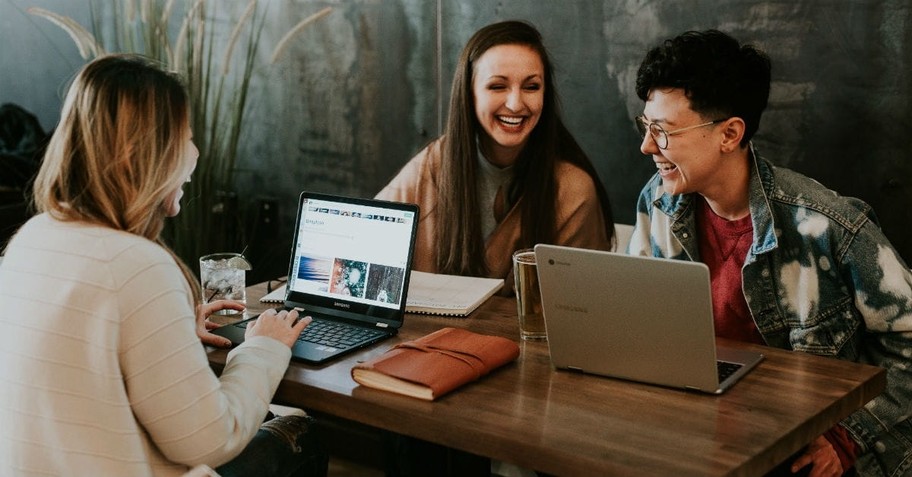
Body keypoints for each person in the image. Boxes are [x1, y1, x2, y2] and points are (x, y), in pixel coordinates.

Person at [0, 54, 327, 477]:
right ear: (141, 154)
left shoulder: (31, 239)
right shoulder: (137, 265)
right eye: (185, 138)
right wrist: (263, 347)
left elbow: (76, 368)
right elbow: (213, 439)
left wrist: (170, 333)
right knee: (303, 432)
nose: (194, 153)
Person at [628, 29, 912, 477]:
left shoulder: (827, 226)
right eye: (646, 126)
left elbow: (908, 340)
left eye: (663, 131)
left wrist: (846, 437)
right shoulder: (659, 201)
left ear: (730, 133)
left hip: (804, 447)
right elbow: (641, 323)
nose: (647, 146)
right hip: (704, 435)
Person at [376, 20, 615, 286]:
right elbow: (367, 241)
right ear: (470, 93)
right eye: (497, 86)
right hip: (430, 329)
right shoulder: (433, 164)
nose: (515, 103)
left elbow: (578, 305)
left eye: (531, 87)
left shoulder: (573, 190)